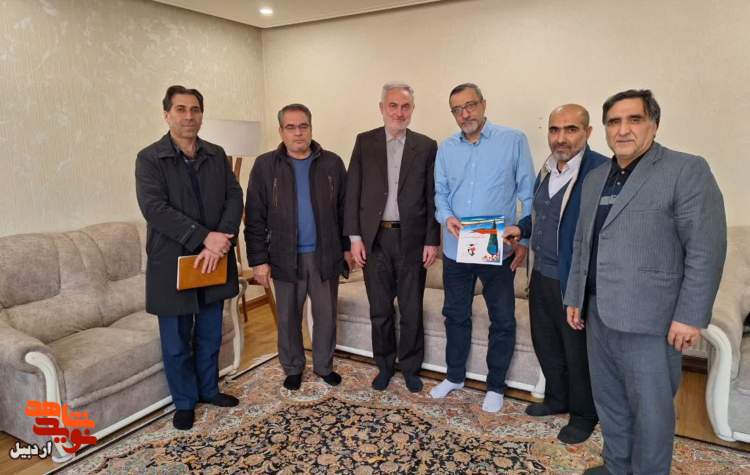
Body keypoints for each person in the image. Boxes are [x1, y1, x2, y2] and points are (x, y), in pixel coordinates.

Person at [564, 89, 726, 474]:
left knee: (651, 412)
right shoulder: (595, 178)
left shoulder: (685, 170)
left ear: (653, 124)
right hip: (598, 314)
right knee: (610, 403)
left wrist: (690, 316)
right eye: (614, 122)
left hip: (652, 320)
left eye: (634, 120)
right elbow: (583, 242)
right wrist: (575, 296)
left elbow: (706, 248)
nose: (623, 130)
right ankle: (617, 467)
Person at [135, 85, 244, 430]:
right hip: (172, 263)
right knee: (176, 340)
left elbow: (234, 196)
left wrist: (221, 238)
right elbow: (155, 209)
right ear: (166, 114)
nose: (188, 116)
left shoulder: (216, 154)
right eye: (180, 109)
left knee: (210, 332)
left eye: (195, 109)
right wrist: (205, 238)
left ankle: (209, 390)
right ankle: (184, 402)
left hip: (214, 259)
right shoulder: (149, 158)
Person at [430, 83, 534, 412]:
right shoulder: (446, 148)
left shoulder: (513, 140)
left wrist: (524, 241)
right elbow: (440, 193)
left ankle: (496, 386)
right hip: (456, 246)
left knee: (502, 319)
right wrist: (447, 217)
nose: (465, 114)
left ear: (483, 104)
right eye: (457, 110)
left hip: (496, 245)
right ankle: (454, 376)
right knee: (455, 315)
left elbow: (528, 195)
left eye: (470, 105)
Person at [505, 104, 606, 443]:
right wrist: (521, 229)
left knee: (577, 353)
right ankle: (557, 398)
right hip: (540, 275)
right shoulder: (548, 169)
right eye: (554, 129)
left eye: (571, 129)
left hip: (573, 281)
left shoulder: (600, 171)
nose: (561, 138)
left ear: (587, 133)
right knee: (546, 343)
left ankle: (584, 414)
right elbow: (541, 214)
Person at [245, 103, 350, 391]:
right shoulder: (265, 166)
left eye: (303, 126)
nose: (298, 132)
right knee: (288, 316)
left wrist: (346, 248)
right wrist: (258, 260)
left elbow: (344, 210)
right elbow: (254, 216)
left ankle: (324, 366)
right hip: (283, 256)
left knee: (326, 315)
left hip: (324, 254)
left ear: (311, 128)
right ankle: (292, 367)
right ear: (281, 131)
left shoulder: (332, 163)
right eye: (290, 127)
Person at [344, 82, 440, 393]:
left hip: (412, 240)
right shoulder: (365, 142)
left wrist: (432, 240)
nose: (399, 112)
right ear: (382, 108)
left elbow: (432, 196)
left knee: (411, 310)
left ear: (412, 109)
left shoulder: (426, 146)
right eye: (393, 106)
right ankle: (384, 366)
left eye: (405, 106)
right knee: (380, 309)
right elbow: (353, 191)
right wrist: (355, 238)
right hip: (375, 241)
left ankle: (410, 367)